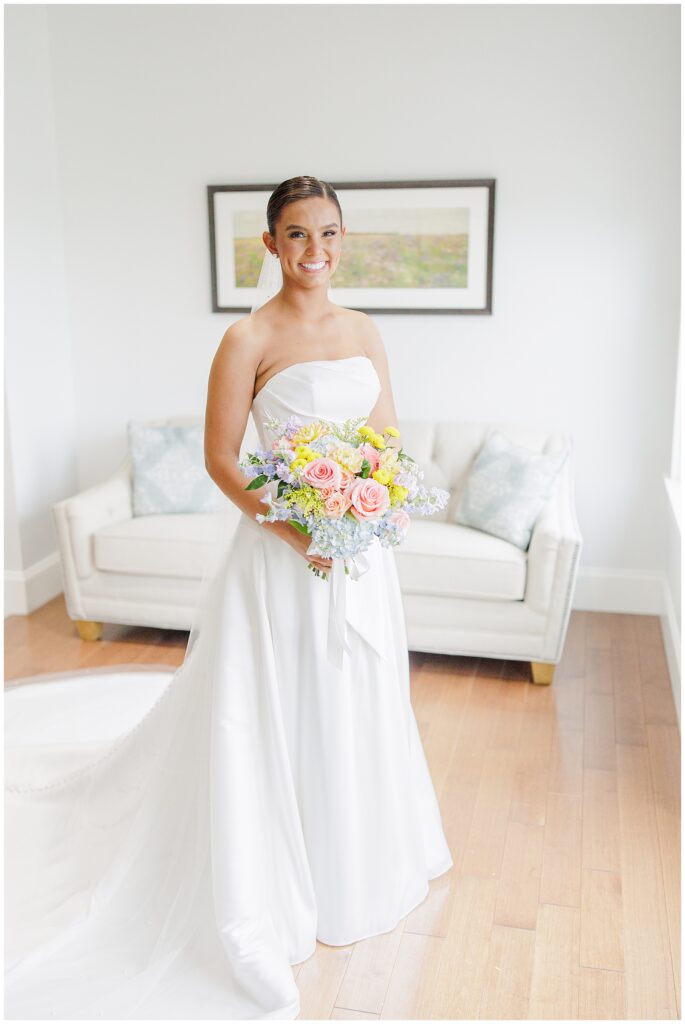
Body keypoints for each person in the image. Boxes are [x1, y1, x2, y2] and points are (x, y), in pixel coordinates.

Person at [4, 175, 453, 1020]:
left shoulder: (362, 330)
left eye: (327, 234)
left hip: (358, 556)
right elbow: (221, 458)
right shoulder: (247, 337)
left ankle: (355, 856)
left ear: (344, 239)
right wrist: (297, 531)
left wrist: (369, 502)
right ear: (269, 245)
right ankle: (276, 868)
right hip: (283, 558)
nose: (314, 252)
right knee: (283, 705)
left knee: (354, 695)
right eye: (295, 235)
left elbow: (386, 435)